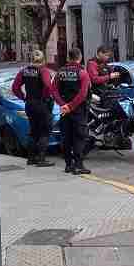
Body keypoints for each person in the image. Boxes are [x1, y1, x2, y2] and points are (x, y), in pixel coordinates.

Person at [11, 50, 56, 167]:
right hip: (41, 104)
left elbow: (15, 87)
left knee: (33, 131)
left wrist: (24, 97)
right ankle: (41, 158)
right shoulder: (43, 70)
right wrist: (46, 97)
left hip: (29, 104)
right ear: (43, 60)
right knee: (45, 131)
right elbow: (47, 86)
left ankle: (31, 158)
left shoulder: (24, 71)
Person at [53, 47, 91, 175]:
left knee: (66, 137)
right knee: (80, 137)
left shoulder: (60, 72)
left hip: (64, 110)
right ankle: (78, 165)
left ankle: (68, 165)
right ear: (79, 57)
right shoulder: (82, 73)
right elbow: (83, 93)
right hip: (78, 110)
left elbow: (54, 90)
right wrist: (71, 106)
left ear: (68, 58)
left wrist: (63, 105)